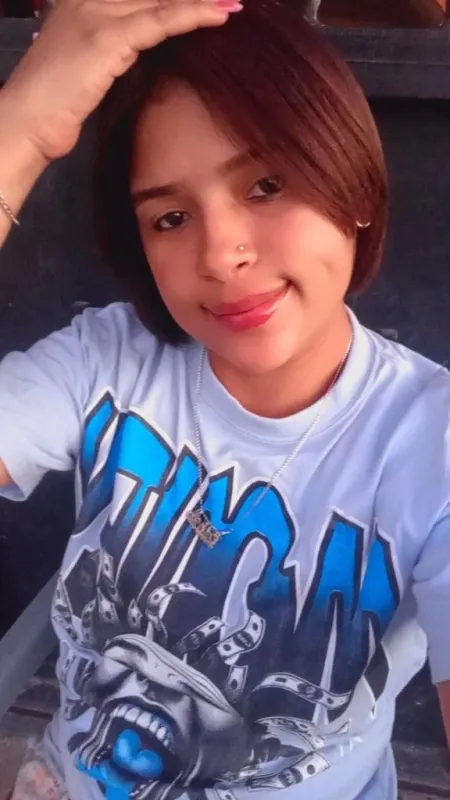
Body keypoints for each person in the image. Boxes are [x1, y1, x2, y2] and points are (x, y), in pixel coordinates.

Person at [0, 0, 449, 798]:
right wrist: (22, 127)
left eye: (266, 185)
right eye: (170, 217)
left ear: (353, 185)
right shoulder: (105, 362)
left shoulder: (429, 441)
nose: (220, 252)